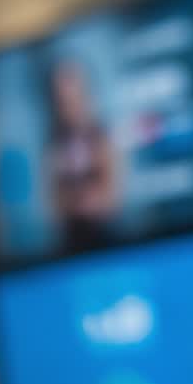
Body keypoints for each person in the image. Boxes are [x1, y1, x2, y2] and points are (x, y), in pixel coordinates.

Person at [44, 58, 119, 252]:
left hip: (108, 239)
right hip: (68, 243)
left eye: (73, 96)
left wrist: (86, 200)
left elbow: (110, 197)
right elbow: (53, 205)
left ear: (86, 94)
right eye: (61, 99)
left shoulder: (102, 138)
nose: (68, 104)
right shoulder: (52, 144)